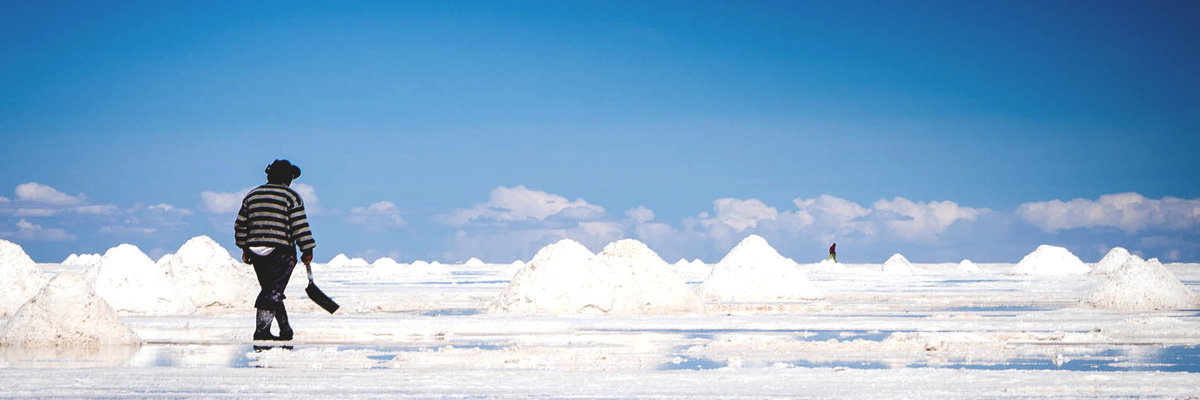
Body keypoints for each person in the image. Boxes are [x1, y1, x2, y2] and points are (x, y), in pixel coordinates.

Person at [235, 159, 316, 341]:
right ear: (288, 178)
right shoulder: (290, 196)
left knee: (271, 288)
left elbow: (241, 224)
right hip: (280, 250)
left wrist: (244, 247)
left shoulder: (252, 196)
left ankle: (285, 329)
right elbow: (299, 225)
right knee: (273, 291)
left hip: (255, 249)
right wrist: (307, 248)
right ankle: (261, 331)